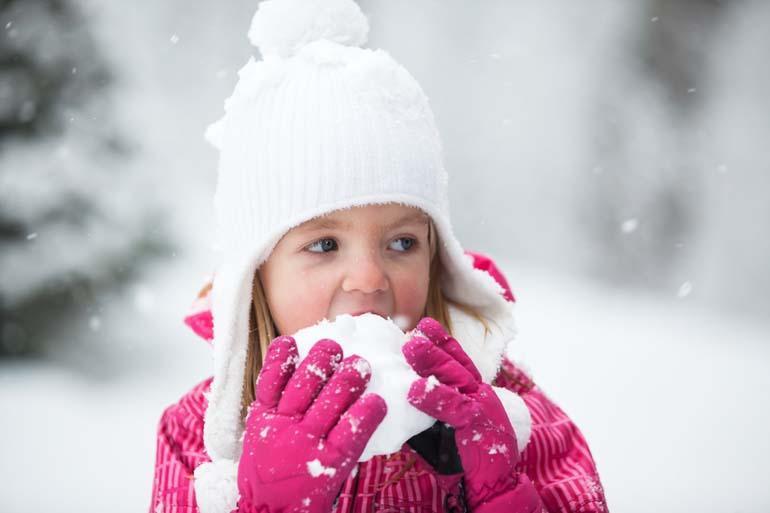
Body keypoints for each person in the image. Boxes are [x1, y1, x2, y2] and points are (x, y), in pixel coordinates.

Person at [150, 1, 608, 512]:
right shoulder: (199, 438)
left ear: (438, 258)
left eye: (402, 243)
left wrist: (500, 492)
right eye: (324, 245)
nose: (369, 278)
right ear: (254, 277)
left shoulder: (507, 412)